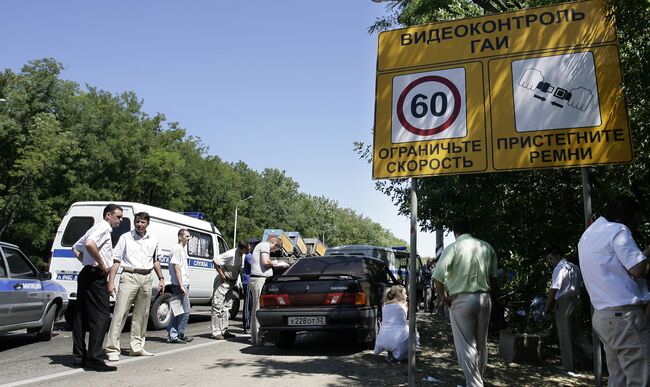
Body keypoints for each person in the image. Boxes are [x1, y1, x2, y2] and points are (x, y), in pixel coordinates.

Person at [578, 196, 650, 386]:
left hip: (603, 315)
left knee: (618, 377)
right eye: (634, 219)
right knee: (640, 377)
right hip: (625, 317)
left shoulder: (589, 234)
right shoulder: (618, 230)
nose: (635, 224)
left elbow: (617, 268)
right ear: (624, 216)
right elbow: (637, 269)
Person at [433, 217, 498, 387]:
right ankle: (477, 379)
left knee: (466, 345)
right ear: (470, 229)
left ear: (454, 232)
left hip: (461, 299)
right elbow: (495, 277)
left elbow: (438, 277)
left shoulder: (453, 248)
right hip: (484, 298)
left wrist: (444, 298)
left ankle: (475, 384)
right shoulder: (486, 247)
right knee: (482, 343)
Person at [104, 212, 165, 361]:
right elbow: (116, 260)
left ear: (147, 224)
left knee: (142, 315)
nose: (139, 225)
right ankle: (112, 349)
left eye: (143, 222)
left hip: (147, 277)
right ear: (134, 222)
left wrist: (161, 278)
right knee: (120, 313)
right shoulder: (126, 237)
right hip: (129, 276)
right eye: (137, 222)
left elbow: (155, 260)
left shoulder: (153, 239)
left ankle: (136, 347)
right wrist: (111, 282)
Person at [71, 203, 123, 372]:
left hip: (87, 273)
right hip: (95, 276)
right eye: (118, 217)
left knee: (81, 315)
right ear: (108, 215)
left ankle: (79, 357)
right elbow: (89, 244)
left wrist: (87, 263)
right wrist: (100, 264)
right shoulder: (104, 228)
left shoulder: (94, 228)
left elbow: (75, 247)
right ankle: (94, 359)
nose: (120, 221)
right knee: (101, 318)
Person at [542, 246, 582, 372]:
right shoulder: (574, 267)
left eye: (551, 258)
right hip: (576, 300)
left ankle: (568, 366)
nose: (550, 261)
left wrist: (547, 306)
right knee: (574, 333)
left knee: (565, 335)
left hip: (564, 302)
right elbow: (581, 285)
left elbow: (554, 288)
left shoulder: (559, 268)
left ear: (558, 256)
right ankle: (584, 359)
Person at [249, 236, 288, 346]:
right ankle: (259, 339)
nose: (274, 251)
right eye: (275, 249)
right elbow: (265, 262)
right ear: (274, 244)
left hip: (256, 279)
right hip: (259, 279)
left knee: (255, 309)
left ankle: (255, 338)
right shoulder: (265, 245)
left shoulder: (261, 245)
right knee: (258, 309)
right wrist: (276, 263)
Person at [211, 240, 249, 340]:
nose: (248, 251)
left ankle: (224, 330)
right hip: (223, 282)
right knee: (217, 305)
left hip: (231, 282)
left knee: (227, 307)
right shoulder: (230, 254)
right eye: (246, 249)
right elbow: (215, 261)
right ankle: (216, 332)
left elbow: (238, 270)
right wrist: (222, 275)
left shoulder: (242, 255)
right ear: (241, 249)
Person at [373, 285, 419, 362]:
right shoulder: (404, 304)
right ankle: (401, 355)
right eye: (405, 293)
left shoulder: (384, 305)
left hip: (383, 339)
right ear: (399, 293)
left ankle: (388, 350)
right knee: (413, 329)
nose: (406, 295)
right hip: (398, 339)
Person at [167, 228, 193, 344]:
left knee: (179, 310)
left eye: (189, 236)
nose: (188, 239)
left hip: (181, 283)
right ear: (180, 237)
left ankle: (178, 334)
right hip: (179, 284)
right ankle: (175, 335)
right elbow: (176, 267)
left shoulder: (181, 249)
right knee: (184, 311)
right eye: (186, 236)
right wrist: (181, 285)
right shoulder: (177, 249)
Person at [242, 238, 260, 334]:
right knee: (248, 306)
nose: (256, 246)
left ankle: (250, 325)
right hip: (248, 282)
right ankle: (247, 326)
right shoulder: (249, 256)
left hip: (252, 282)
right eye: (255, 244)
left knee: (252, 305)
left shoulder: (254, 255)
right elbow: (255, 265)